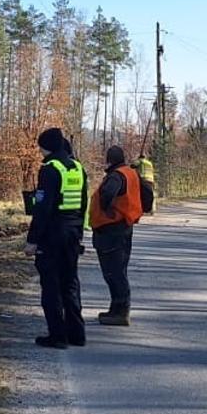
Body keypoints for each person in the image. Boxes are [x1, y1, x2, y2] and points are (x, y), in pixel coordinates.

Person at [27, 128, 87, 349]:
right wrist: (80, 232)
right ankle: (77, 334)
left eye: (41, 147)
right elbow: (84, 205)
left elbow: (42, 210)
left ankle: (57, 336)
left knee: (51, 285)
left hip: (52, 235)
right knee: (70, 283)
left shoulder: (50, 169)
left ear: (47, 147)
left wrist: (32, 240)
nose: (40, 151)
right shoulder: (78, 168)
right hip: (72, 233)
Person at [89, 145, 149, 326]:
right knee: (118, 270)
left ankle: (121, 312)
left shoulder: (116, 176)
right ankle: (116, 309)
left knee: (113, 272)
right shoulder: (132, 173)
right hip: (124, 226)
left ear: (109, 160)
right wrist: (143, 209)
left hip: (111, 229)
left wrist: (106, 211)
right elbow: (148, 193)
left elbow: (107, 194)